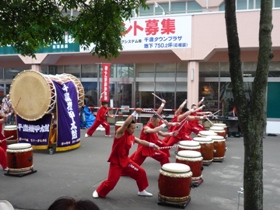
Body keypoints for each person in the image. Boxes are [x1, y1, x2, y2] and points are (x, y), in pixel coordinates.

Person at [92, 108, 159, 198]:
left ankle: (142, 190)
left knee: (141, 172)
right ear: (127, 128)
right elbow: (126, 123)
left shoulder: (131, 136)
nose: (133, 130)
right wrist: (134, 113)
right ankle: (98, 190)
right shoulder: (120, 133)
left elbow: (141, 141)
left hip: (125, 161)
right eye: (132, 128)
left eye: (134, 128)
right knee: (111, 183)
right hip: (115, 162)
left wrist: (152, 145)